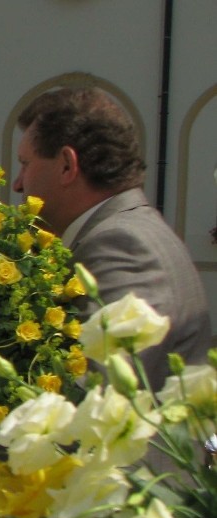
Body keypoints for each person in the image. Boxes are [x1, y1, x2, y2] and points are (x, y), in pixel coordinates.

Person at [13, 87, 211, 390]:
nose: (17, 184)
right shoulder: (126, 232)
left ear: (67, 165)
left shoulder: (124, 244)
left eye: (25, 164)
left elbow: (98, 395)